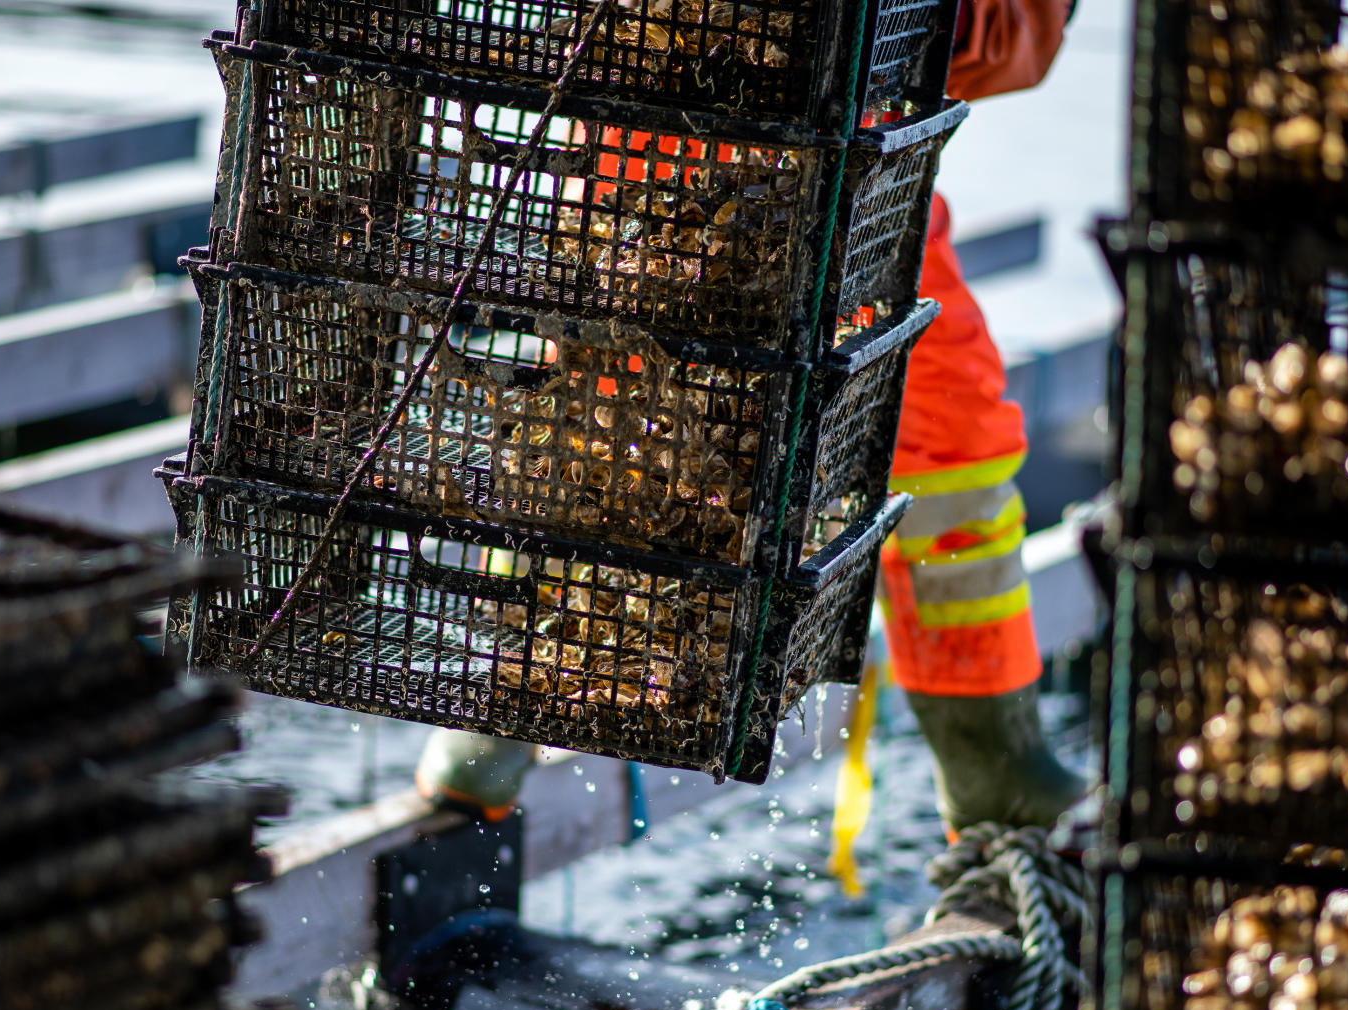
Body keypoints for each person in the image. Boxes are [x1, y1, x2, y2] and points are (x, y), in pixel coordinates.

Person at [419, 0, 1088, 834]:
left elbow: (1010, 44)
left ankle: (995, 761)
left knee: (945, 439)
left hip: (846, 184)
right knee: (601, 430)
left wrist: (922, 25)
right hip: (664, 185)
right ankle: (497, 713)